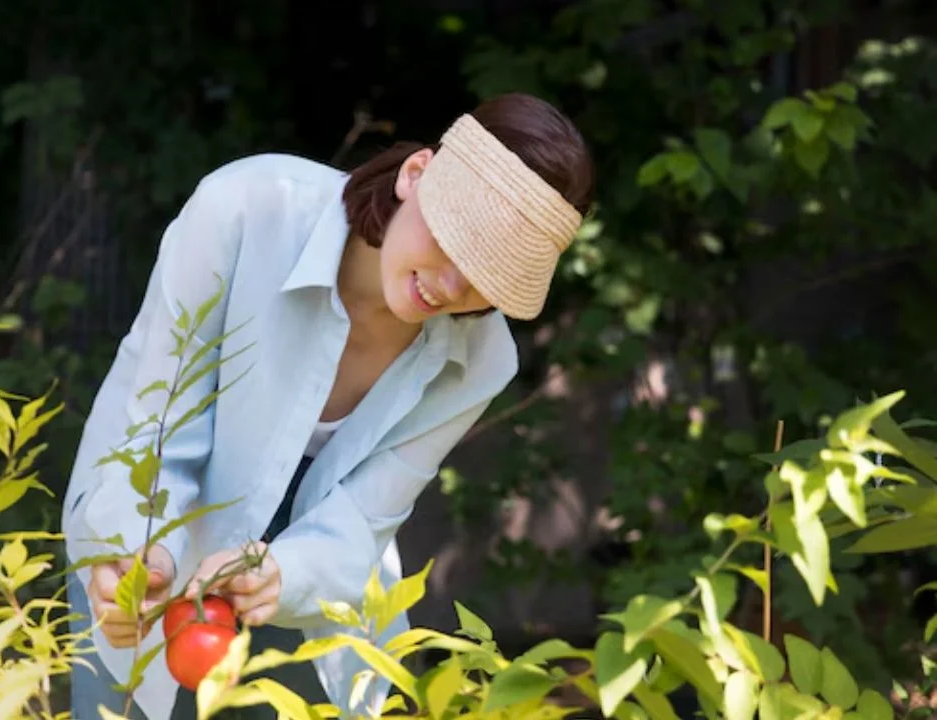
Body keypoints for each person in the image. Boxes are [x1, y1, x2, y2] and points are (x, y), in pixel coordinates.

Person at [60, 92, 594, 719]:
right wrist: (136, 550)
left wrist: (283, 572)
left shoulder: (483, 358)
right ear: (414, 174)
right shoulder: (247, 208)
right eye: (452, 240)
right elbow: (154, 415)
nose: (451, 285)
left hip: (311, 579)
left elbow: (367, 516)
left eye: (487, 278)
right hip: (147, 521)